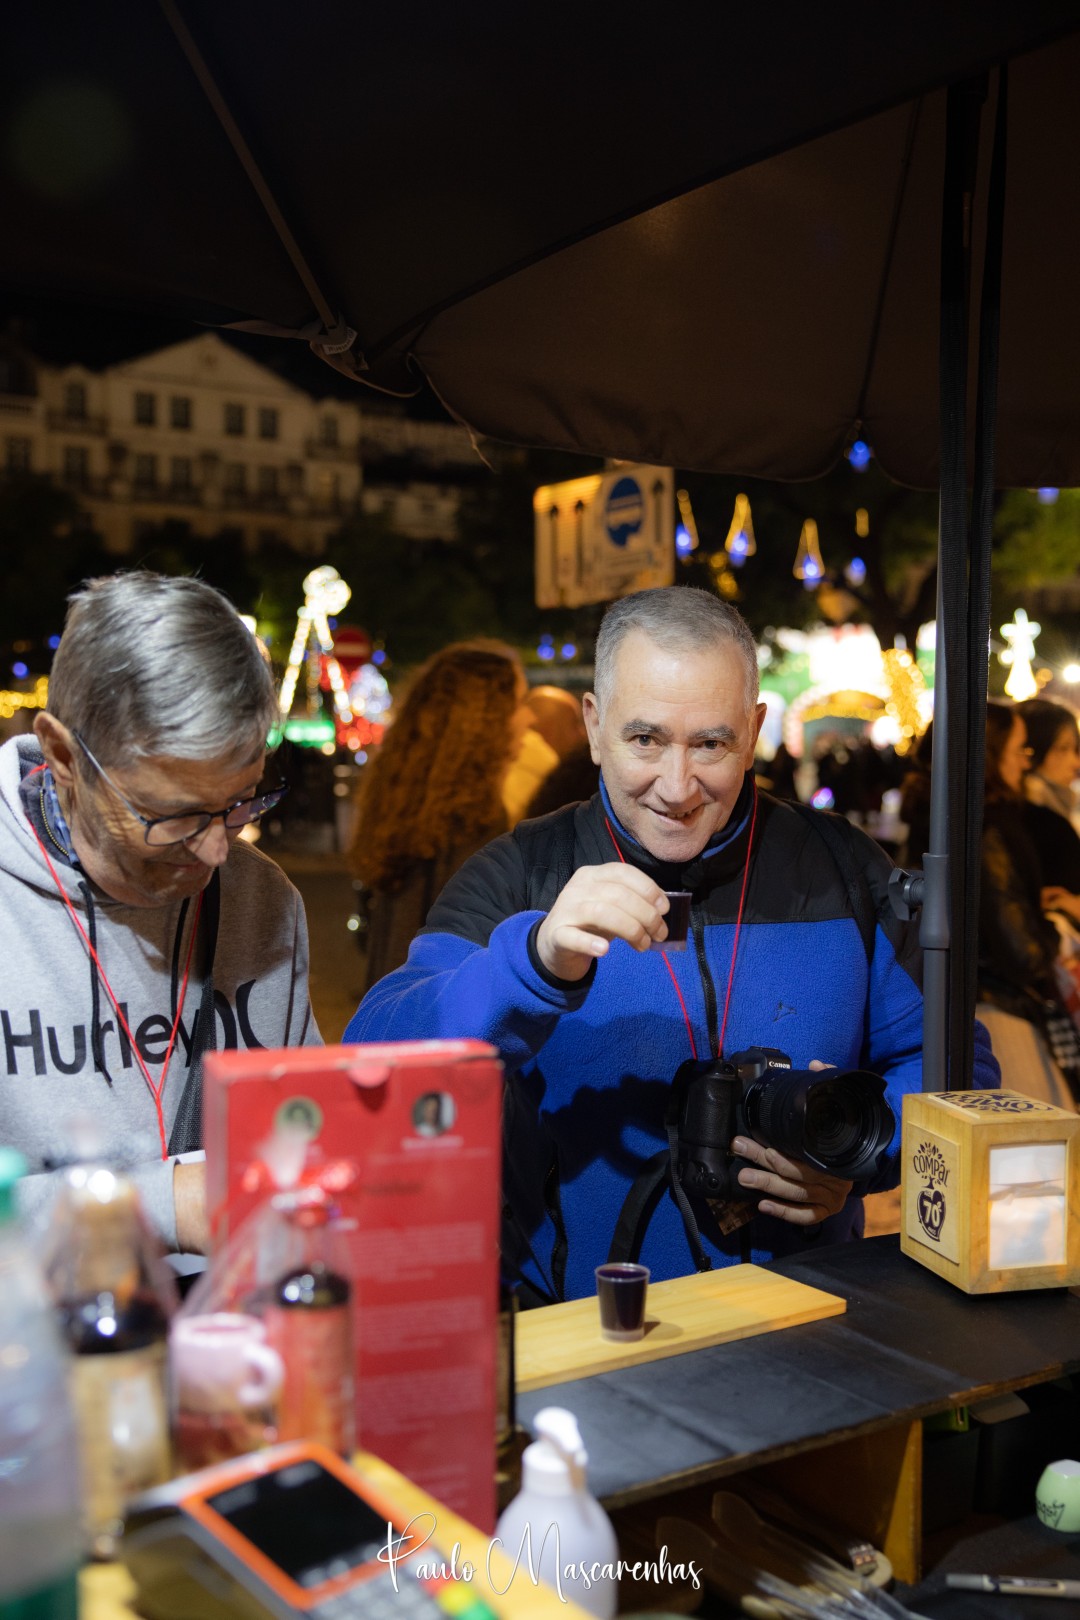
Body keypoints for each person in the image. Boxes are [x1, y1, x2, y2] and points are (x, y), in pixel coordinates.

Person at [345, 587, 999, 1301]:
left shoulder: (843, 868)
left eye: (711, 744)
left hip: (809, 1316)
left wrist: (858, 1154)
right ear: (594, 726)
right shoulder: (522, 873)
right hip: (577, 1327)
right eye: (645, 740)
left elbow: (956, 1067)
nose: (678, 786)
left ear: (753, 730)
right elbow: (371, 1071)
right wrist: (532, 965)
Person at [0, 572, 320, 1254]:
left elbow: (304, 1130)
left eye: (241, 802)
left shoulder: (264, 900)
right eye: (173, 816)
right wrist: (164, 1205)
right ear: (62, 754)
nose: (215, 852)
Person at [349, 639, 533, 996]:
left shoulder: (411, 802)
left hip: (393, 1002)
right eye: (520, 702)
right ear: (486, 718)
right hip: (434, 1013)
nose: (530, 717)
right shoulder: (476, 820)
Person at [977, 701, 1079, 1108]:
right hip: (1002, 1004)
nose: (1025, 761)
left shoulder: (995, 819)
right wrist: (1054, 923)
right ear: (993, 752)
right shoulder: (998, 827)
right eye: (1020, 749)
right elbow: (1021, 947)